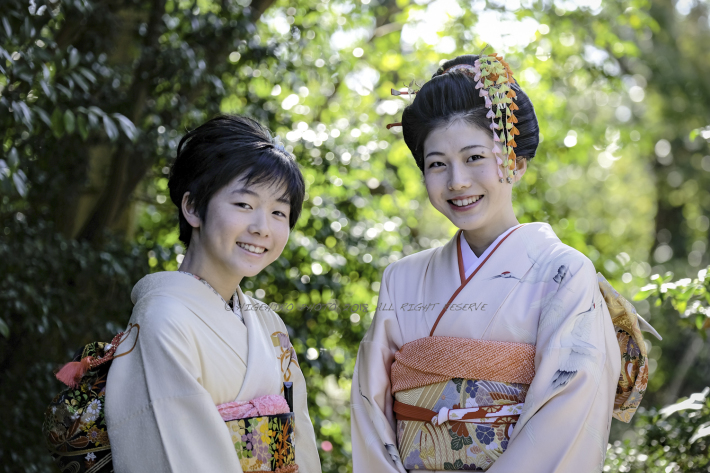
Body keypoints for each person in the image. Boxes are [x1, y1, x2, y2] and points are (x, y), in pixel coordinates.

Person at [350, 53, 652, 472]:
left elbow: (567, 412)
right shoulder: (401, 279)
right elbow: (371, 408)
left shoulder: (563, 273)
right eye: (437, 164)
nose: (456, 181)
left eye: (474, 157)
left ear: (515, 162)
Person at [105, 115, 321, 472]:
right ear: (192, 207)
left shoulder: (269, 323)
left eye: (279, 212)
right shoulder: (163, 319)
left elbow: (302, 443)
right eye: (244, 205)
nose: (262, 228)